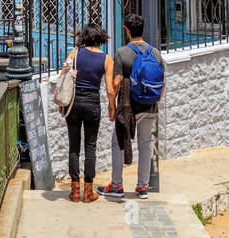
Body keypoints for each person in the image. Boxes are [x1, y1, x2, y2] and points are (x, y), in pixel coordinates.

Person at [100, 13, 165, 200]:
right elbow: (163, 82)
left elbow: (115, 83)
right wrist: (156, 103)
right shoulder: (155, 52)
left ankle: (117, 184)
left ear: (126, 30)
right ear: (142, 29)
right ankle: (142, 187)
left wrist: (113, 106)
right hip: (150, 107)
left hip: (129, 108)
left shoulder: (122, 53)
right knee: (145, 145)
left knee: (118, 142)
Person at [62, 24, 113, 203]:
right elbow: (110, 89)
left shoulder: (74, 54)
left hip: (73, 103)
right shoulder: (106, 59)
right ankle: (88, 192)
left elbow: (64, 75)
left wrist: (62, 103)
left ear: (83, 37)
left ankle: (75, 191)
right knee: (90, 147)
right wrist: (112, 107)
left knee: (73, 147)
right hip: (92, 104)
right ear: (100, 38)